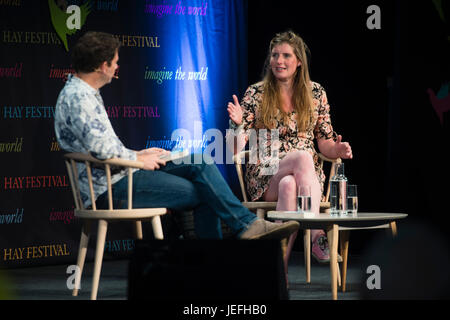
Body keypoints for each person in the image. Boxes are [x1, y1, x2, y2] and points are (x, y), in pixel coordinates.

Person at [54, 31, 299, 242]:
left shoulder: (83, 92)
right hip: (109, 187)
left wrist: (138, 154)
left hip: (122, 171)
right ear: (102, 65)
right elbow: (101, 151)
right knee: (206, 192)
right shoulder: (79, 98)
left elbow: (99, 146)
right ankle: (235, 239)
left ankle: (245, 228)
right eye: (115, 62)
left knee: (200, 161)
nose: (117, 67)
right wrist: (137, 160)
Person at [226, 30, 353, 265]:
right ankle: (316, 235)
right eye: (274, 55)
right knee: (302, 158)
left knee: (289, 185)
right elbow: (234, 150)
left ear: (299, 62)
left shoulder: (316, 93)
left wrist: (338, 150)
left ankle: (277, 268)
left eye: (285, 55)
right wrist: (236, 126)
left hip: (306, 179)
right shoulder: (255, 93)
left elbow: (324, 141)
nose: (279, 61)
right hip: (265, 172)